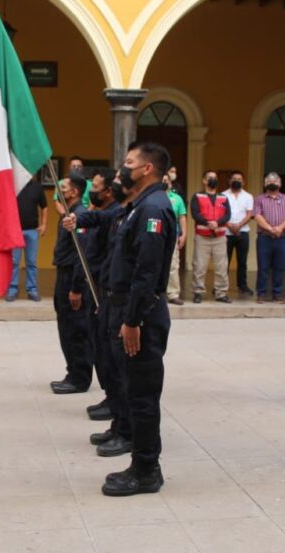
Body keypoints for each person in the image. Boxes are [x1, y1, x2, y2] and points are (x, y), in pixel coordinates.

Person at [101, 141, 176, 497]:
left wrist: (132, 321)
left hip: (141, 316)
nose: (124, 167)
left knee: (143, 395)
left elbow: (147, 274)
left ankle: (147, 469)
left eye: (129, 162)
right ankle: (140, 462)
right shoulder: (139, 206)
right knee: (133, 391)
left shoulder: (153, 210)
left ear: (147, 169)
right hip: (126, 310)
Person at [65, 172, 132, 456]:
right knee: (105, 359)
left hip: (119, 303)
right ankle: (118, 422)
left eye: (124, 171)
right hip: (104, 295)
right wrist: (79, 219)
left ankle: (128, 432)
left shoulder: (145, 211)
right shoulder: (120, 213)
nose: (119, 179)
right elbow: (99, 220)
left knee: (121, 370)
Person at [50, 172, 94, 395]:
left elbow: (81, 255)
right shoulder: (68, 214)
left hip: (73, 277)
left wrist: (76, 288)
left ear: (75, 192)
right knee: (66, 328)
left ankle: (80, 377)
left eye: (64, 188)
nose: (60, 191)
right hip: (64, 274)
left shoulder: (80, 216)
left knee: (76, 329)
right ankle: (72, 372)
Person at [189, 171, 232, 303]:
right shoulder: (197, 196)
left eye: (215, 178)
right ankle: (198, 292)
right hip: (202, 237)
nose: (213, 180)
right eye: (210, 178)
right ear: (204, 181)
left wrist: (217, 223)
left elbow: (227, 215)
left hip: (220, 237)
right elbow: (195, 214)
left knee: (221, 267)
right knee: (200, 266)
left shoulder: (224, 198)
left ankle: (221, 293)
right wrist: (209, 223)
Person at [253, 172, 285, 303]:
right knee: (263, 267)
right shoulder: (259, 199)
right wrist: (271, 229)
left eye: (275, 181)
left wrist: (280, 228)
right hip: (264, 238)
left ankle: (277, 294)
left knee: (280, 267)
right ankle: (261, 294)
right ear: (265, 184)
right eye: (270, 181)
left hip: (282, 238)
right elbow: (257, 216)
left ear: (280, 184)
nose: (272, 183)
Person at [7, 177, 48, 302]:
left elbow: (44, 206)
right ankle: (12, 289)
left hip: (32, 231)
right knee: (14, 262)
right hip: (15, 231)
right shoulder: (12, 185)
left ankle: (32, 290)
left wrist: (44, 224)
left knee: (31, 262)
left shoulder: (37, 187)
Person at [224, 171, 255, 295]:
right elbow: (221, 214)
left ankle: (242, 285)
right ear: (230, 181)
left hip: (243, 232)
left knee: (242, 261)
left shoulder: (248, 196)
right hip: (226, 232)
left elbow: (249, 214)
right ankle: (222, 286)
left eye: (240, 179)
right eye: (234, 178)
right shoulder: (223, 195)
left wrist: (238, 226)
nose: (237, 180)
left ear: (243, 182)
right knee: (224, 261)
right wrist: (230, 225)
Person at [164, 174, 188, 305]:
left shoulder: (177, 198)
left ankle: (172, 294)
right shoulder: (152, 196)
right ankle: (155, 293)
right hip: (155, 236)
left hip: (172, 237)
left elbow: (182, 217)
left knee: (173, 265)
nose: (164, 183)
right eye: (162, 180)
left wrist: (184, 234)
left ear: (171, 183)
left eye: (166, 181)